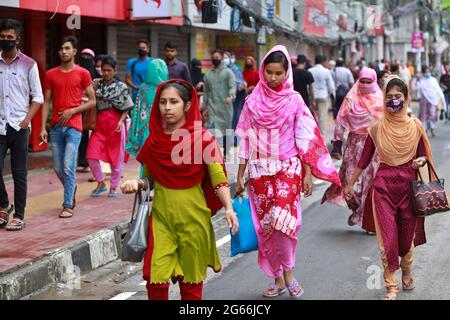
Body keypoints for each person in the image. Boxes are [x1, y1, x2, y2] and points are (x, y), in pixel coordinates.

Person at [235, 45, 340, 298]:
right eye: (268, 72)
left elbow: (303, 138)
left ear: (286, 73)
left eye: (278, 73)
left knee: (285, 223)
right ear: (262, 71)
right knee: (266, 227)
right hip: (259, 171)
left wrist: (306, 174)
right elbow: (246, 140)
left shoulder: (294, 101)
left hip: (288, 168)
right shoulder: (252, 102)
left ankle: (289, 273)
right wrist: (240, 175)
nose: (272, 78)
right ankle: (277, 278)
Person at [120, 79, 239, 300]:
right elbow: (148, 180)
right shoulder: (153, 141)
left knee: (191, 286)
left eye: (173, 102)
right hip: (161, 220)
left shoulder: (204, 139)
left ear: (187, 105)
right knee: (155, 282)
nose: (166, 108)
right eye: (162, 102)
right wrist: (137, 184)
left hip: (194, 221)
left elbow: (218, 179)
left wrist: (229, 208)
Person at [345, 75, 434, 300]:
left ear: (406, 99)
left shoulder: (416, 126)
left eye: (398, 97)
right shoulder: (376, 127)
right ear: (384, 99)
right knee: (387, 240)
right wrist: (351, 182)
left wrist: (419, 162)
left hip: (408, 189)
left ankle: (407, 268)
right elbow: (365, 159)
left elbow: (423, 155)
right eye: (390, 97)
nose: (394, 101)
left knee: (406, 239)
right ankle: (391, 285)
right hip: (383, 188)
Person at [40, 36, 96, 219]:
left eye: (67, 48)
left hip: (74, 127)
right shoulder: (50, 74)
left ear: (74, 51)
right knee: (57, 167)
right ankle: (71, 188)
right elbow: (46, 100)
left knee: (68, 166)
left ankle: (67, 204)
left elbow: (92, 101)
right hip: (55, 127)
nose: (63, 51)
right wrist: (43, 127)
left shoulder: (83, 73)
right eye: (61, 49)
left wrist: (73, 111)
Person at [322, 68, 384, 231]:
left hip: (374, 146)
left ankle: (365, 218)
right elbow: (341, 121)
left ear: (374, 81)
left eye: (368, 81)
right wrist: (337, 144)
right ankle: (358, 210)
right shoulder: (351, 98)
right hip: (354, 146)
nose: (364, 84)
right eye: (362, 81)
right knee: (350, 182)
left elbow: (388, 124)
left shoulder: (381, 100)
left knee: (369, 184)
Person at [0, 19, 44, 231]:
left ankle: (19, 214)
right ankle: (3, 205)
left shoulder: (29, 64)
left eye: (10, 37)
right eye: (2, 37)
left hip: (19, 126)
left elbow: (38, 97)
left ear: (17, 39)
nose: (6, 41)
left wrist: (26, 120)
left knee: (19, 172)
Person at [86, 56, 133, 198]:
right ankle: (101, 183)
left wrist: (121, 121)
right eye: (103, 70)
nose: (105, 73)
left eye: (109, 70)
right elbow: (86, 97)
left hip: (116, 125)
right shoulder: (95, 84)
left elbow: (127, 107)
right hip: (99, 125)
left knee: (116, 159)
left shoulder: (121, 87)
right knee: (91, 155)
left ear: (115, 71)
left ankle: (113, 187)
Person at [126, 59, 168, 157]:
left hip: (145, 128)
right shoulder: (167, 88)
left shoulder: (143, 88)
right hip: (162, 127)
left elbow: (137, 110)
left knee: (147, 157)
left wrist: (135, 131)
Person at [203, 49, 236, 160]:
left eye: (218, 57)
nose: (215, 59)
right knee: (211, 130)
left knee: (226, 130)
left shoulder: (228, 72)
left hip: (225, 107)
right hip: (212, 107)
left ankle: (226, 153)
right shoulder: (208, 75)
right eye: (214, 57)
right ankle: (212, 153)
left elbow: (232, 86)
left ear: (222, 58)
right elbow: (206, 92)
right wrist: (204, 107)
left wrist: (230, 97)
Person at [77, 48, 97, 173]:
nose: (86, 59)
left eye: (88, 57)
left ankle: (88, 161)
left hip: (90, 108)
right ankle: (79, 160)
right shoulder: (76, 71)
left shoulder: (96, 74)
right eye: (83, 56)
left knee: (88, 135)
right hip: (76, 108)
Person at [224, 51, 246, 146]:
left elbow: (239, 83)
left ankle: (234, 140)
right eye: (223, 58)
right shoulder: (218, 70)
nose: (224, 60)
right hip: (222, 100)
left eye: (226, 57)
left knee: (233, 120)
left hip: (234, 98)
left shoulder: (235, 69)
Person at [309, 54, 336, 134]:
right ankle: (321, 133)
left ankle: (313, 132)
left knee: (312, 115)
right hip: (323, 96)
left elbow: (309, 85)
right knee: (322, 116)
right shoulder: (326, 71)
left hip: (312, 96)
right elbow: (331, 85)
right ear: (322, 62)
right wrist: (332, 95)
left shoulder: (310, 70)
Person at [416, 65, 446, 137]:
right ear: (423, 73)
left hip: (433, 100)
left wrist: (441, 98)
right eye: (426, 72)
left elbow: (437, 89)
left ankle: (432, 128)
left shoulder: (433, 80)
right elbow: (418, 89)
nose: (428, 73)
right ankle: (425, 130)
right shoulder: (421, 80)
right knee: (424, 116)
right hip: (424, 101)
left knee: (432, 115)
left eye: (428, 71)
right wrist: (418, 80)